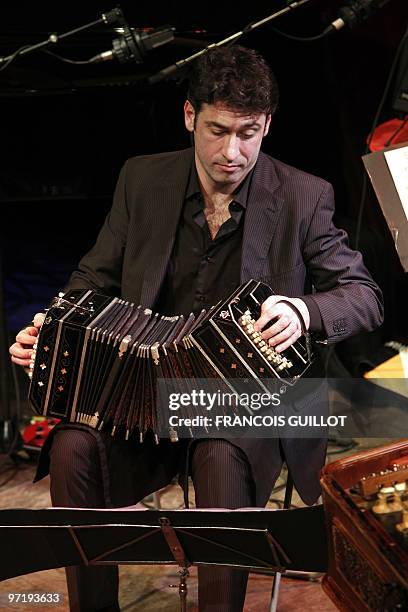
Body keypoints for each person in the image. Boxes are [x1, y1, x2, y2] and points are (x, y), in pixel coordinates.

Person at [10, 45, 383, 611]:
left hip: (249, 410)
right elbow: (91, 280)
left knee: (218, 447)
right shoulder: (142, 180)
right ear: (190, 116)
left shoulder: (303, 196)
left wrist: (304, 311)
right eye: (217, 130)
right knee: (72, 447)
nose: (231, 151)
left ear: (267, 127)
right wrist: (52, 327)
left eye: (248, 133)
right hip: (141, 401)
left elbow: (364, 296)